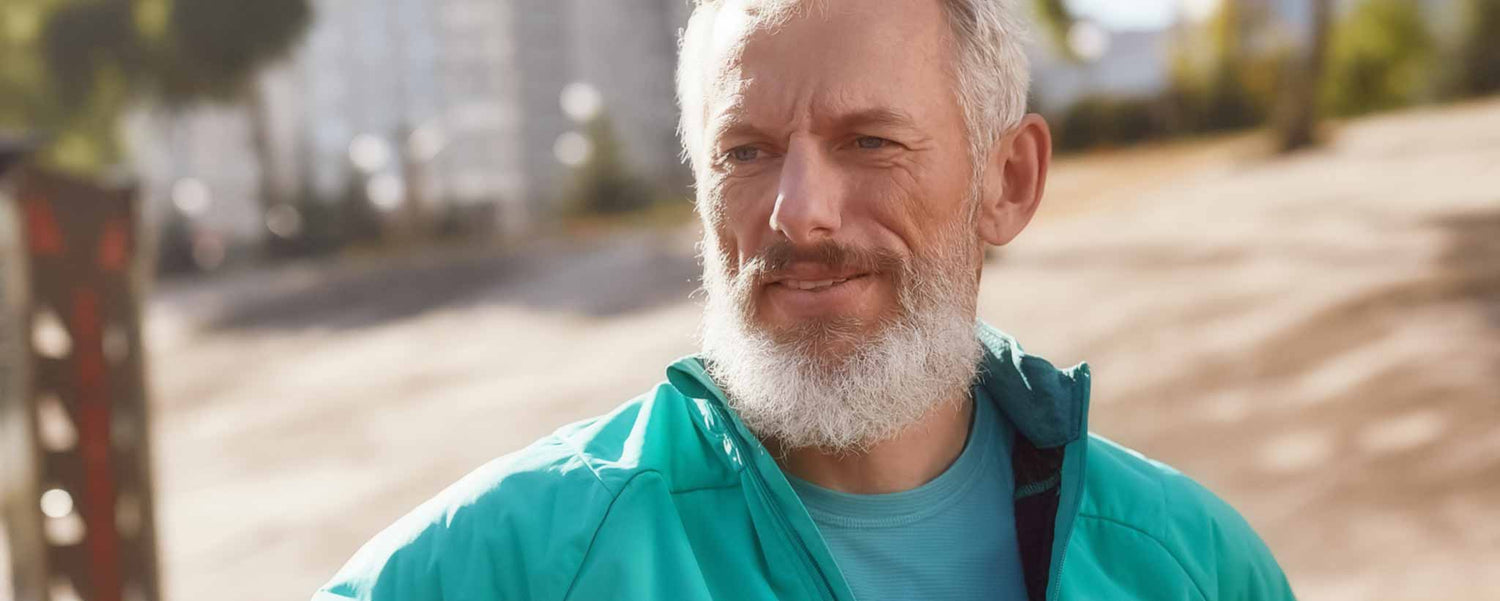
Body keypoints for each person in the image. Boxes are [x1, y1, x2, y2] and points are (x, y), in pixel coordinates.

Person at [313, 1, 1296, 599]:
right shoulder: (521, 559)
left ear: (1008, 181)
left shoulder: (1188, 565)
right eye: (746, 152)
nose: (797, 212)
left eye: (870, 141)